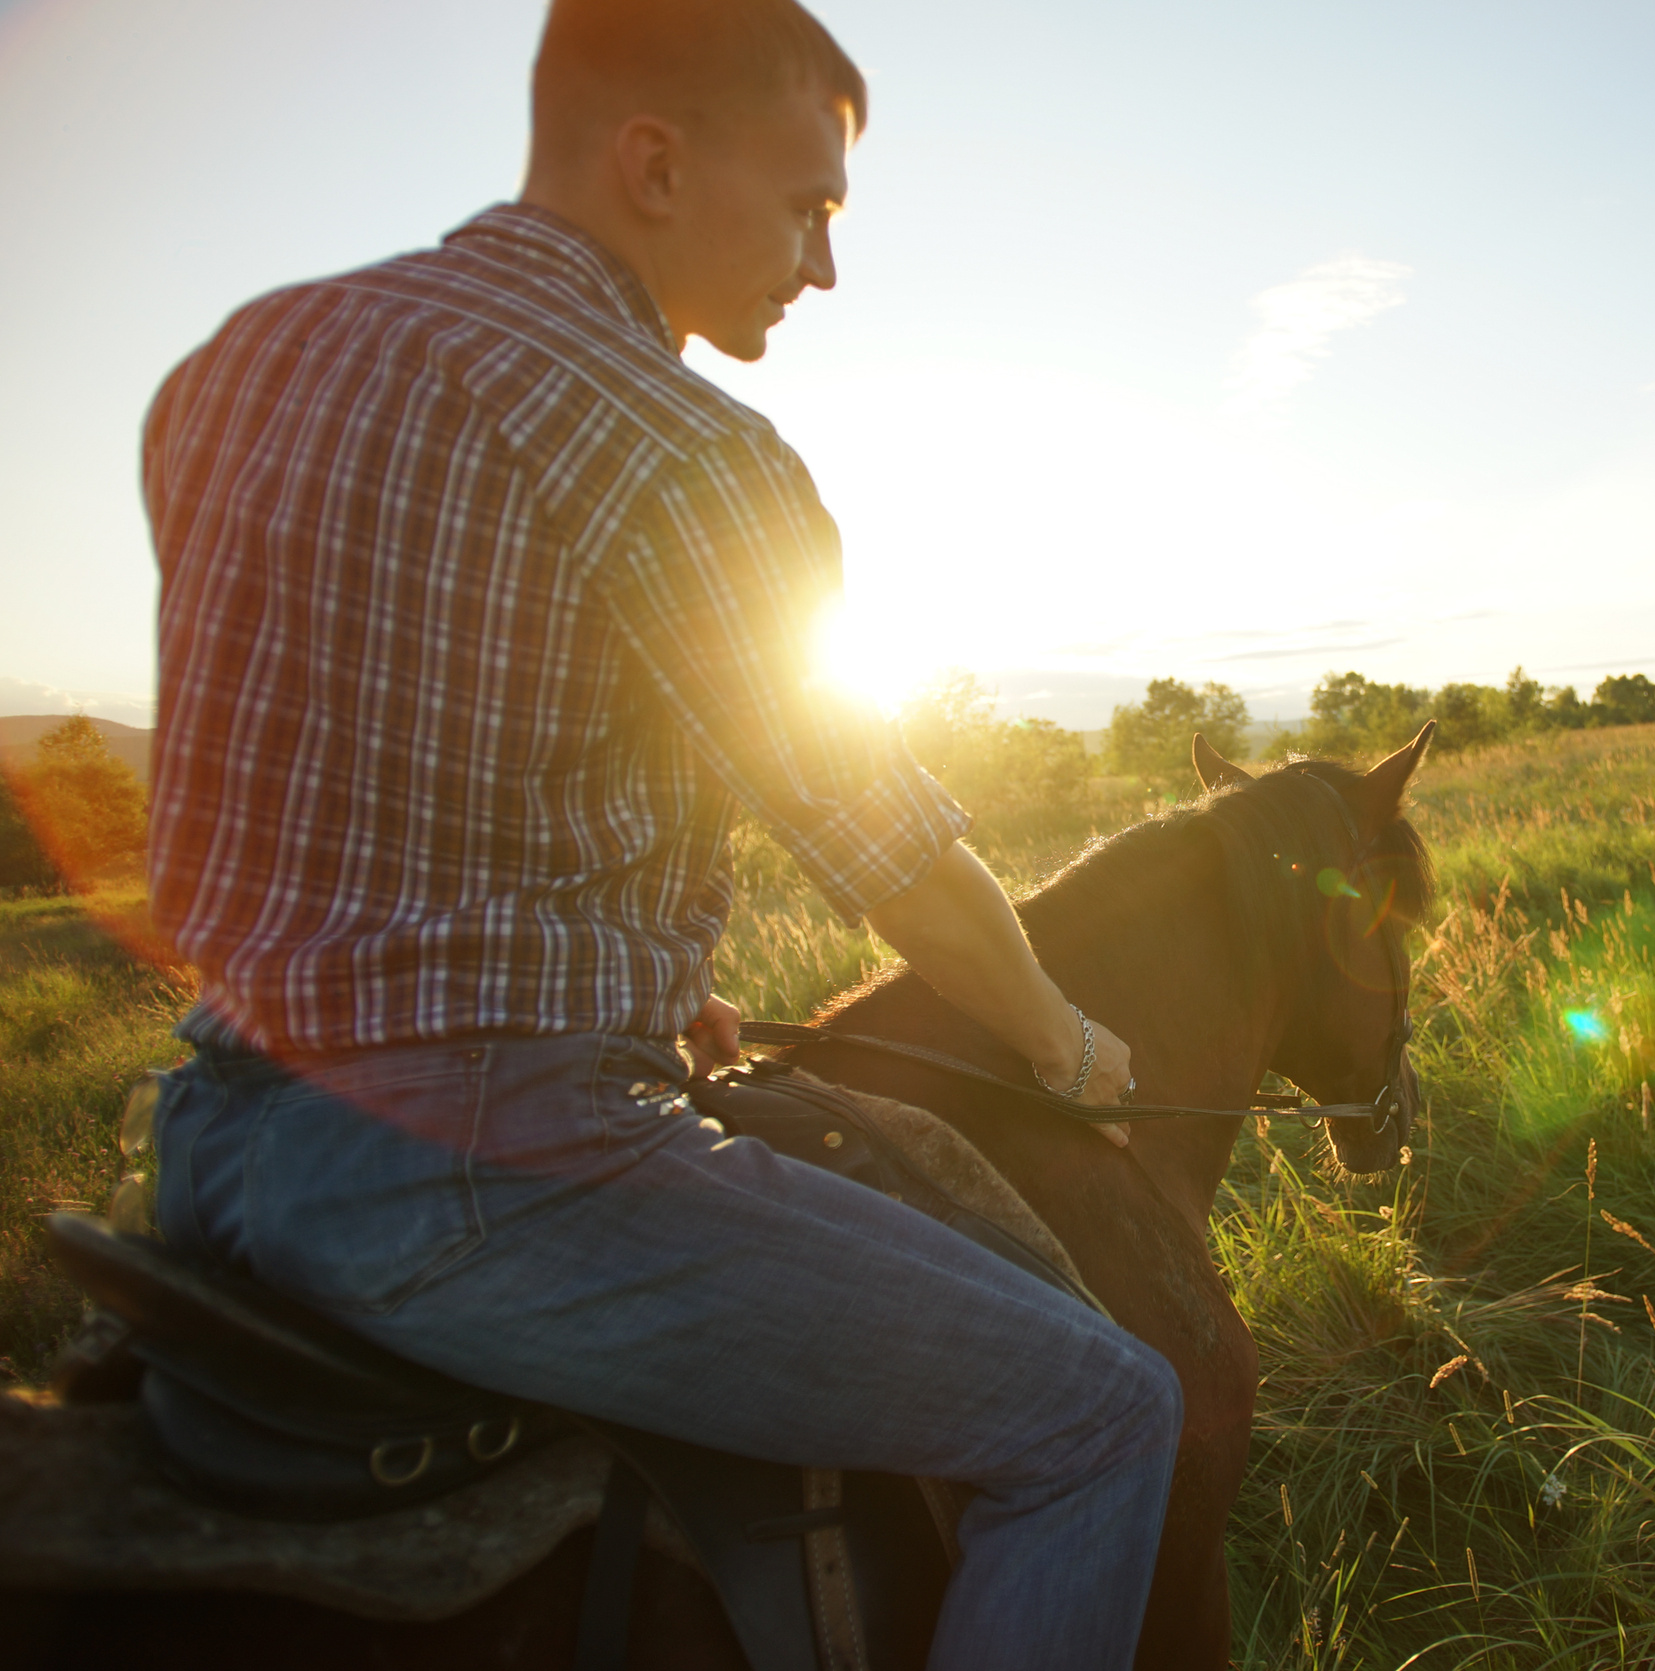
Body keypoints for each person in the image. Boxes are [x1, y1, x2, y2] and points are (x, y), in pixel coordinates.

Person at [139, 2, 1179, 1665]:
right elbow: (894, 857)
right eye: (809, 205)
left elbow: (368, 739)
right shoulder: (686, 449)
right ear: (655, 164)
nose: (825, 266)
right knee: (1106, 1413)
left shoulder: (234, 367)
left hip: (210, 1136)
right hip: (477, 1176)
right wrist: (1063, 1040)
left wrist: (626, 978)